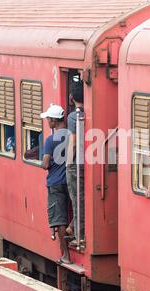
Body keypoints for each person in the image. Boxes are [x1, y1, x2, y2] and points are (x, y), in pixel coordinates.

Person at [40, 104, 71, 264]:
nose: (47, 121)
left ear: (53, 120)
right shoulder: (72, 135)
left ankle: (65, 255)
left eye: (47, 119)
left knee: (59, 219)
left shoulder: (50, 140)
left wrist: (46, 161)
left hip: (56, 183)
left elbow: (45, 164)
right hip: (70, 181)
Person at [65, 78, 85, 244]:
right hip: (91, 162)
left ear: (71, 97)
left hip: (77, 163)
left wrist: (68, 162)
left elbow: (73, 141)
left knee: (76, 198)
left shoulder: (73, 117)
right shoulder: (90, 112)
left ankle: (79, 234)